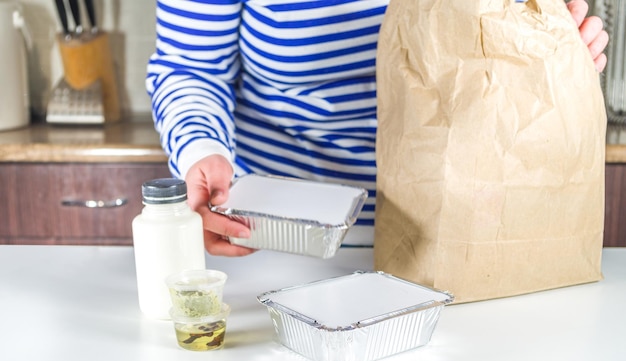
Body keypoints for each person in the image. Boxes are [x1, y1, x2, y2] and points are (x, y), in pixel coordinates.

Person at [146, 0, 609, 256]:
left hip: (455, 234)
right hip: (279, 234)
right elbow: (191, 69)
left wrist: (547, 62)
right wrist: (201, 149)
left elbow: (489, 72)